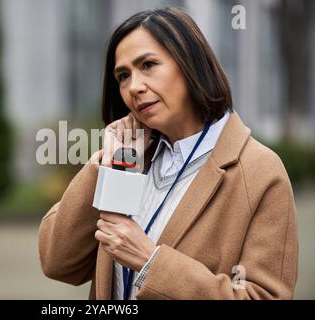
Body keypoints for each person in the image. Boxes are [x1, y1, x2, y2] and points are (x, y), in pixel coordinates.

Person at [38, 7, 298, 300]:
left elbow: (263, 296)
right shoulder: (132, 157)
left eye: (148, 65)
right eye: (123, 75)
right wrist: (106, 164)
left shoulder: (259, 171)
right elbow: (58, 262)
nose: (133, 87)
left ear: (191, 65)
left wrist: (151, 262)